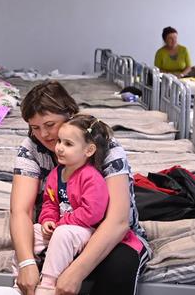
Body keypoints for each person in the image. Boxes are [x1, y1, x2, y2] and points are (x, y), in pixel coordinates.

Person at [10, 81, 149, 295]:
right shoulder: (31, 148)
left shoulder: (107, 148)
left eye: (49, 125)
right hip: (59, 231)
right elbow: (21, 210)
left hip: (109, 235)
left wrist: (76, 271)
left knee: (118, 267)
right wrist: (26, 263)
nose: (44, 135)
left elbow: (118, 221)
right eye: (35, 127)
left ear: (70, 115)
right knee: (29, 263)